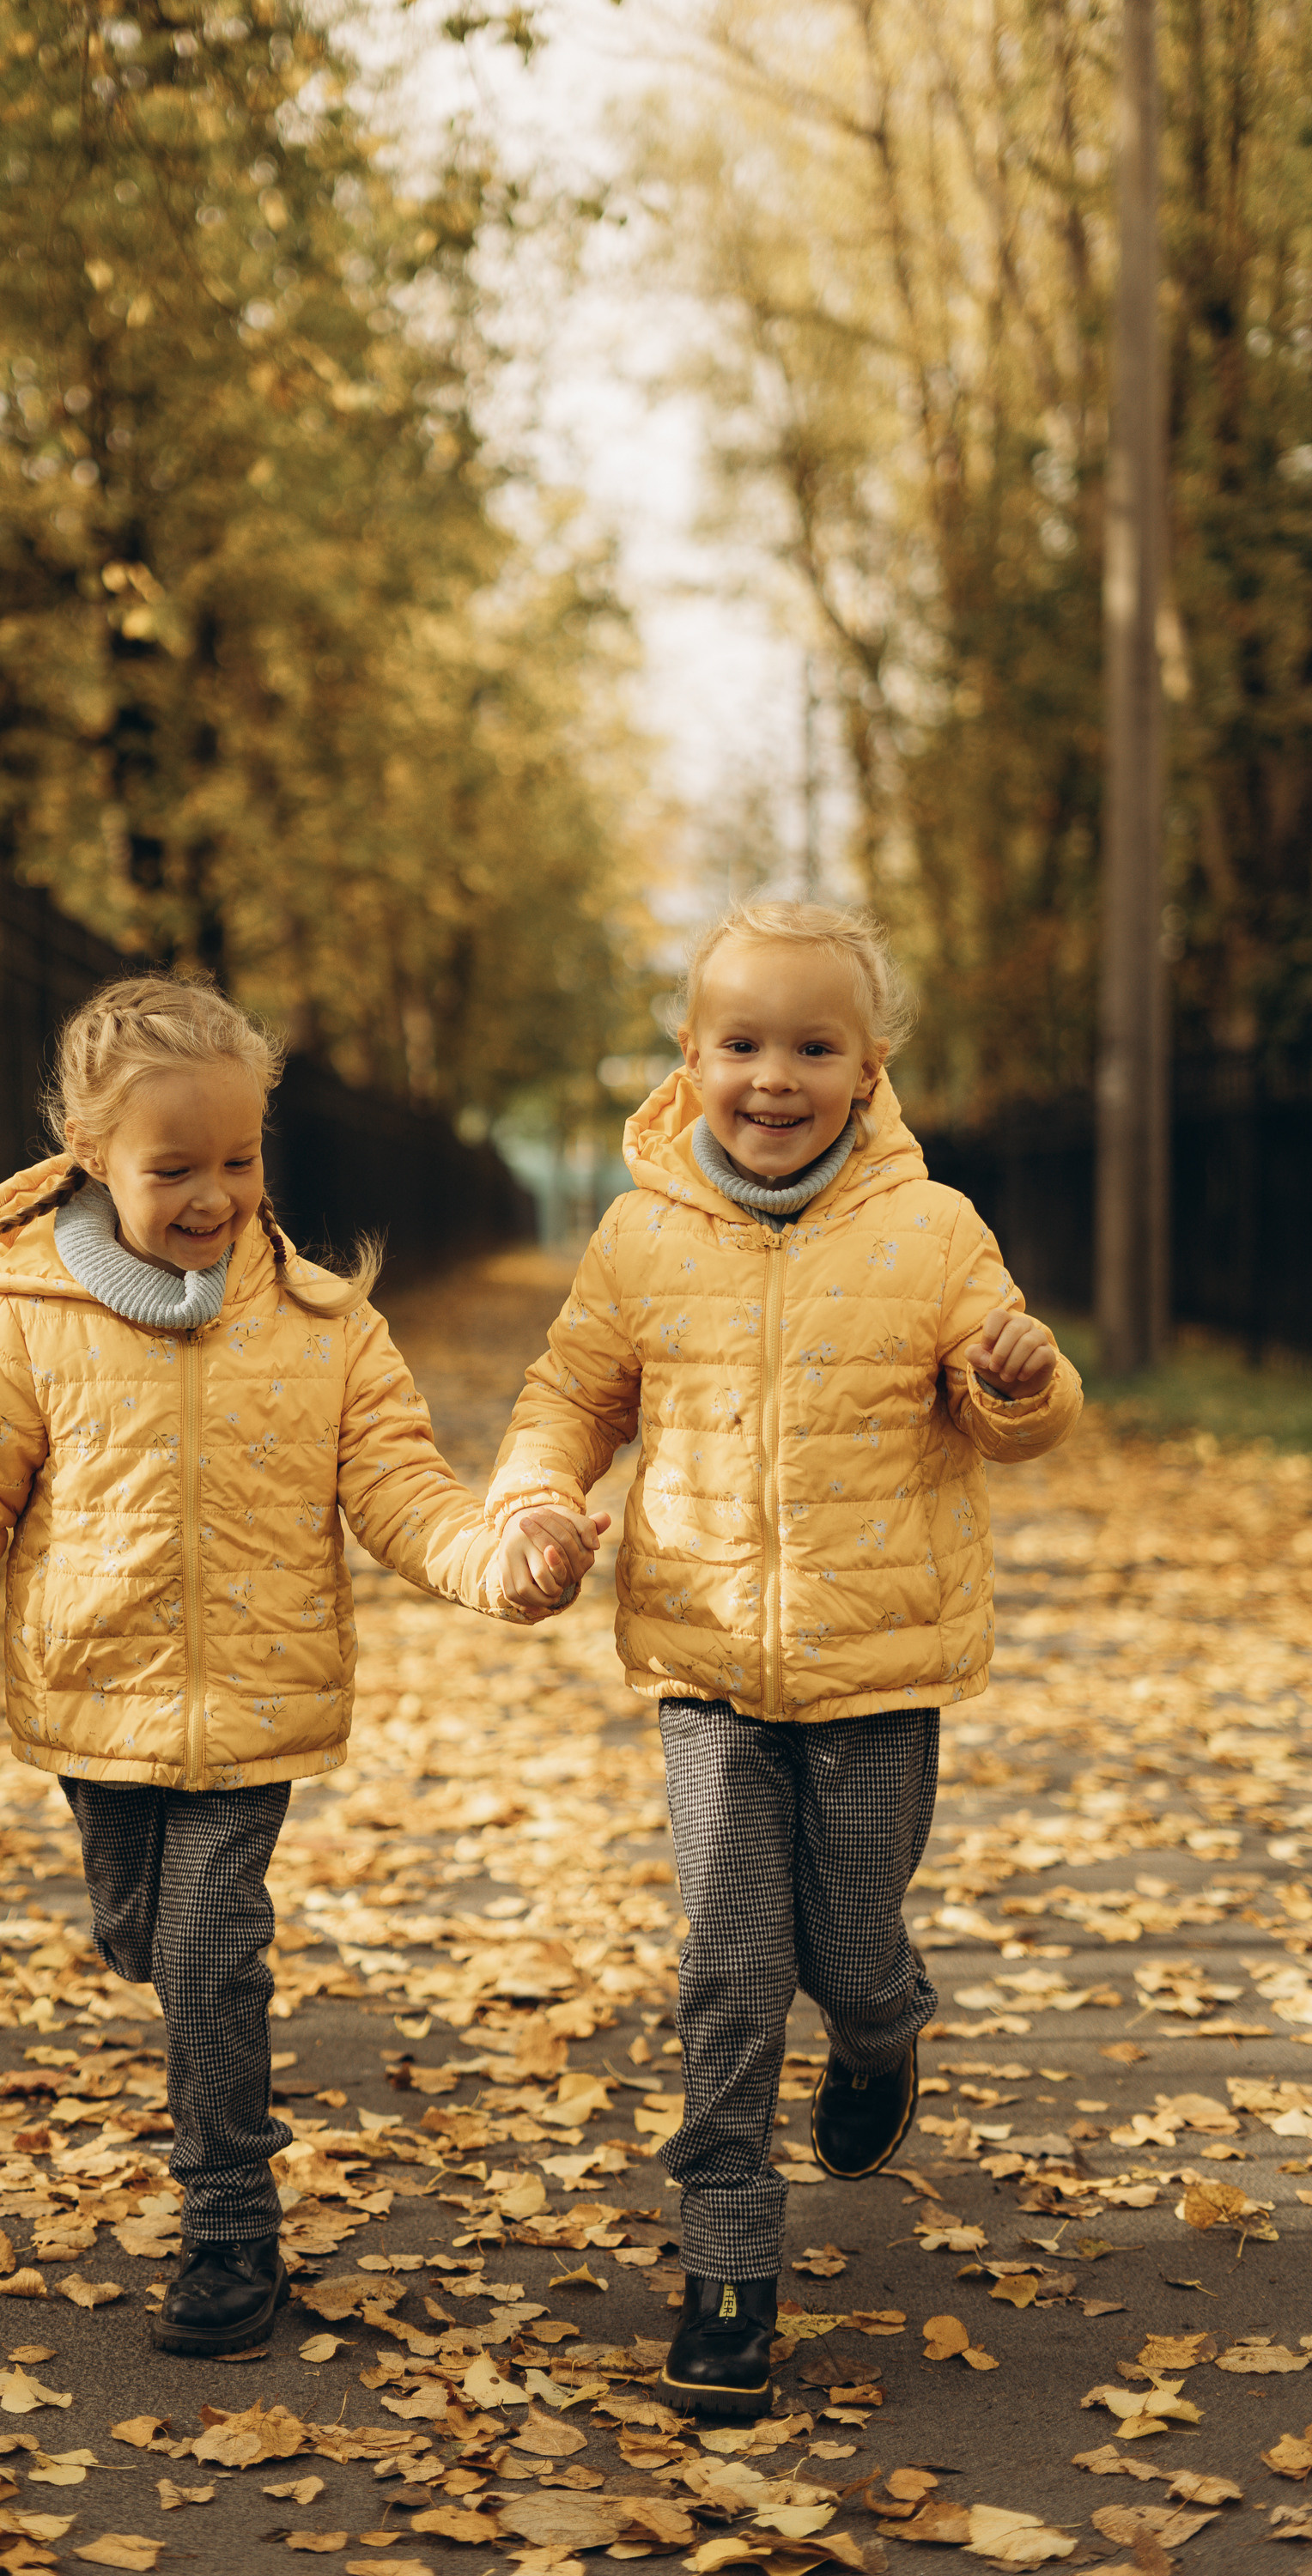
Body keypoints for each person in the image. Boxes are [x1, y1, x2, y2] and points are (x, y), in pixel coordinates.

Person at [0, 970, 604, 2360]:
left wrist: (507, 1561)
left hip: (256, 1708)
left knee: (211, 1947)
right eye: (176, 1168)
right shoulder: (24, 1321)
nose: (216, 1195)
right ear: (93, 1157)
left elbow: (404, 1492)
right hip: (95, 1702)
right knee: (142, 1935)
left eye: (241, 1160)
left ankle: (230, 2228)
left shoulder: (323, 1326)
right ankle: (173, 1993)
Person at [486, 900, 1082, 2422]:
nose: (774, 1077)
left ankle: (881, 2028)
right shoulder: (639, 1235)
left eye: (813, 1048)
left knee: (850, 1934)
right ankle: (729, 2266)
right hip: (706, 1669)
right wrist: (539, 1497)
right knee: (734, 1966)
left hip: (877, 1668)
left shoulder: (931, 1228)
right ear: (689, 1060)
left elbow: (1008, 1397)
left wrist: (1021, 1381)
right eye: (741, 1043)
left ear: (868, 1068)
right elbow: (570, 1396)